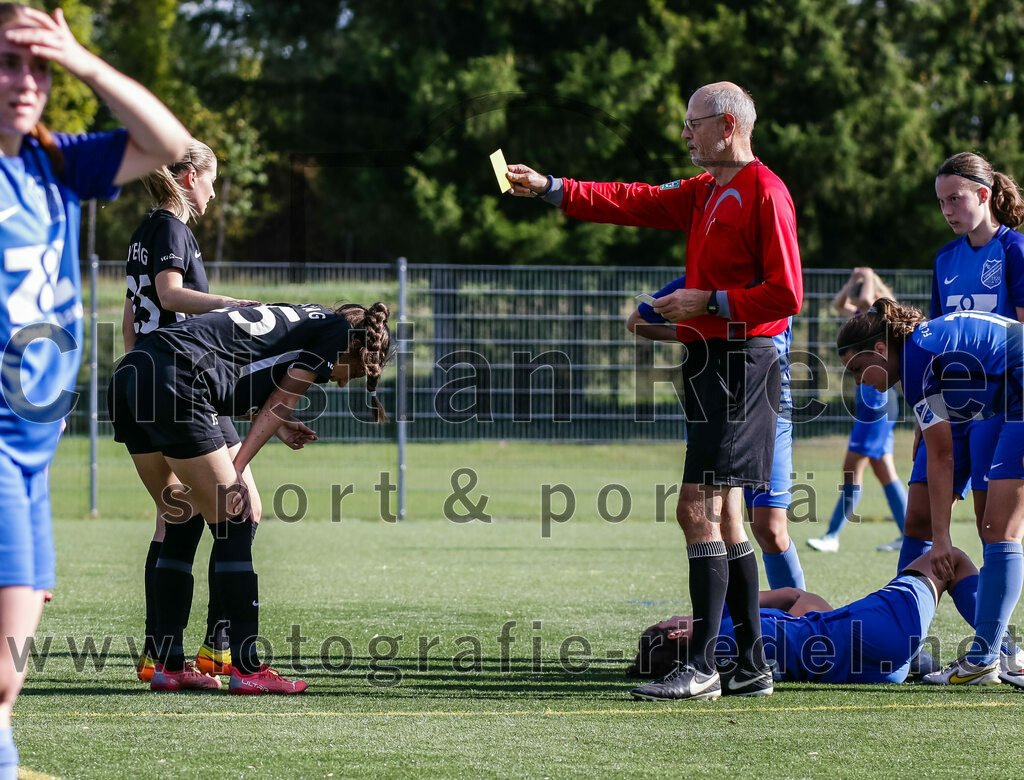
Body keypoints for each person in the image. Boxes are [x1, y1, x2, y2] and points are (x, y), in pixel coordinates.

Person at [508, 81, 803, 700]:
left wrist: (709, 300)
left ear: (727, 127)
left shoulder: (766, 192)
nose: (685, 134)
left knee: (696, 509)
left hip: (740, 363)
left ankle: (702, 666)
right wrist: (552, 187)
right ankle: (749, 665)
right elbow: (632, 199)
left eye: (693, 124)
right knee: (725, 516)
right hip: (708, 361)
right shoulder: (704, 191)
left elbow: (787, 295)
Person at [0, 4, 190, 775]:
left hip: (31, 453)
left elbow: (169, 144)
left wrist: (79, 59)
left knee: (5, 689)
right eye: (8, 63)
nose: (25, 82)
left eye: (35, 68)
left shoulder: (51, 161)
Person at [108, 301, 391, 693]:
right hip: (176, 378)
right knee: (235, 519)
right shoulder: (336, 334)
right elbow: (279, 401)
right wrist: (237, 468)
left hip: (134, 372)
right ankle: (245, 668)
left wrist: (280, 426)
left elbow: (238, 371)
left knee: (182, 514)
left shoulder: (307, 317)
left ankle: (168, 665)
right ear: (357, 346)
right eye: (354, 372)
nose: (343, 382)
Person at [121, 139, 262, 684]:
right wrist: (231, 305)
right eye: (210, 179)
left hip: (151, 380)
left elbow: (135, 322)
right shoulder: (172, 229)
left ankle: (164, 659)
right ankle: (222, 652)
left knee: (176, 515)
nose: (212, 191)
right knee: (240, 509)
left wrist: (142, 377)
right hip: (185, 384)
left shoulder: (144, 232)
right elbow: (171, 295)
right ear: (186, 176)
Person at [837, 299, 1023, 685]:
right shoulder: (917, 354)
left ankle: (990, 656)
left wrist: (943, 539)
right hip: (997, 401)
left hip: (1011, 400)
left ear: (882, 350)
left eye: (857, 369)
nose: (857, 381)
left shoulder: (917, 358)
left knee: (1000, 531)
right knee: (932, 521)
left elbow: (942, 455)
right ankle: (916, 648)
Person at [628, 546, 1024, 689]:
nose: (675, 616)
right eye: (670, 621)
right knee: (949, 561)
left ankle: (911, 657)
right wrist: (732, 604)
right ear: (679, 634)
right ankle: (1000, 652)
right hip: (864, 633)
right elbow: (800, 596)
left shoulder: (728, 667)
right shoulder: (733, 625)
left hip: (874, 675)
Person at [629, 277, 806, 589]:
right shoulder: (697, 281)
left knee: (770, 529)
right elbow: (638, 321)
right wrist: (692, 334)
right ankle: (729, 625)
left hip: (769, 400)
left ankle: (798, 618)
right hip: (714, 404)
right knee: (717, 519)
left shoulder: (774, 280)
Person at [897, 153, 1024, 577]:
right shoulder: (945, 258)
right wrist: (921, 420)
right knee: (917, 517)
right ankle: (904, 633)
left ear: (983, 194)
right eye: (941, 202)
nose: (947, 210)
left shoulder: (1014, 250)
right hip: (947, 408)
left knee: (993, 528)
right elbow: (933, 342)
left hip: (998, 407)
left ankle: (996, 638)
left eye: (955, 199)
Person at [808, 268, 906, 553]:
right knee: (884, 470)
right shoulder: (859, 325)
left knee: (852, 468)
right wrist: (852, 281)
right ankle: (909, 533)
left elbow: (865, 301)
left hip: (878, 405)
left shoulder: (880, 315)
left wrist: (869, 278)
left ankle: (832, 535)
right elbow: (838, 305)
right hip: (873, 403)